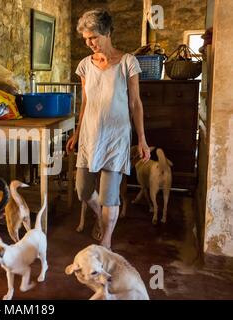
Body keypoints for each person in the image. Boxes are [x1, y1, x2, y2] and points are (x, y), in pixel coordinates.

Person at [66, 9, 150, 249]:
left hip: (116, 136)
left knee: (108, 196)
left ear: (107, 33)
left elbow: (135, 103)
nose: (89, 43)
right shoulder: (85, 66)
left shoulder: (127, 62)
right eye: (86, 39)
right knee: (82, 190)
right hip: (90, 136)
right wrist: (77, 131)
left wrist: (142, 139)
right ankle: (101, 219)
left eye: (93, 37)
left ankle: (107, 241)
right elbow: (85, 102)